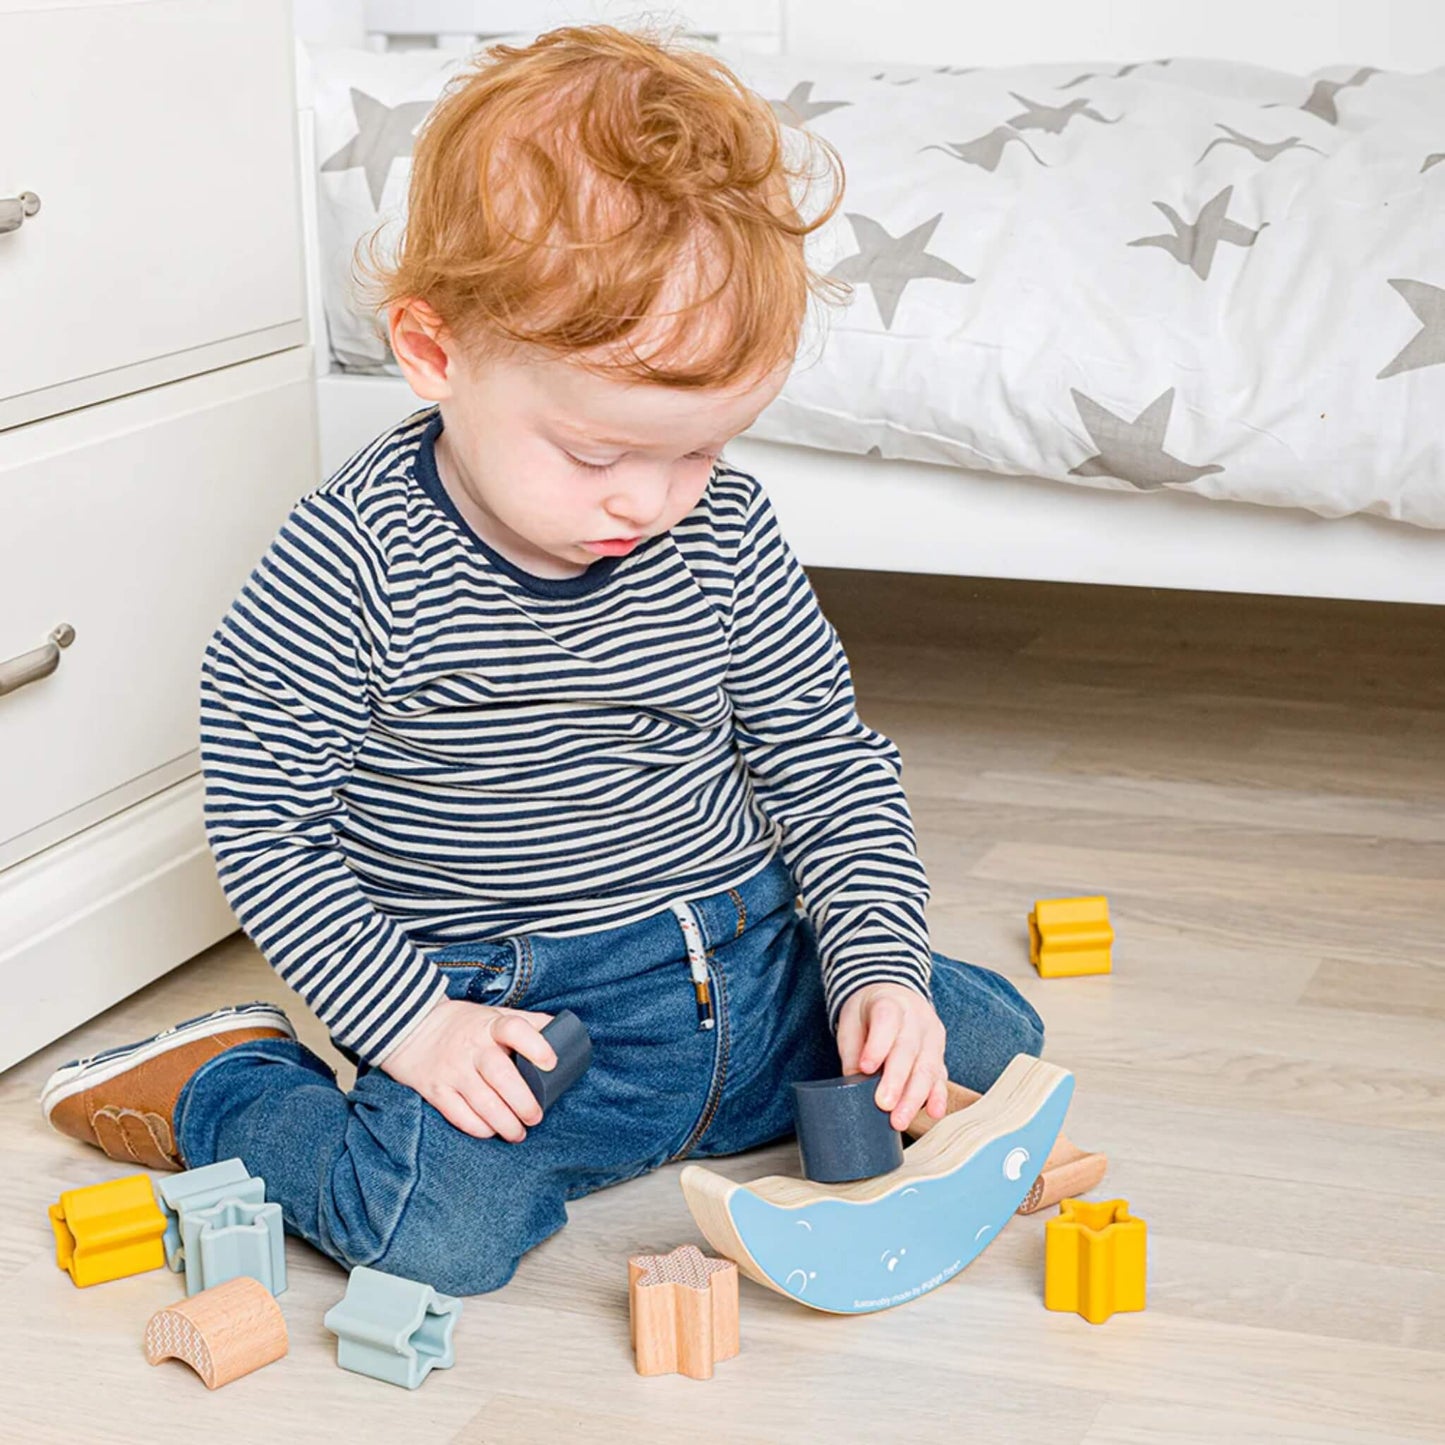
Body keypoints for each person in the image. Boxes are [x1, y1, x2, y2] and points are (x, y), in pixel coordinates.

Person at [41, 24, 1044, 1296]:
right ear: (433, 352)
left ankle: (784, 1059)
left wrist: (877, 966)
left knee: (992, 1035)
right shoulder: (350, 565)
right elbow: (265, 830)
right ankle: (227, 1083)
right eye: (595, 453)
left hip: (744, 957)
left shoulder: (724, 531)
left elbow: (825, 762)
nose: (653, 500)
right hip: (520, 1023)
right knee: (436, 1238)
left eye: (700, 450)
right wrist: (416, 1026)